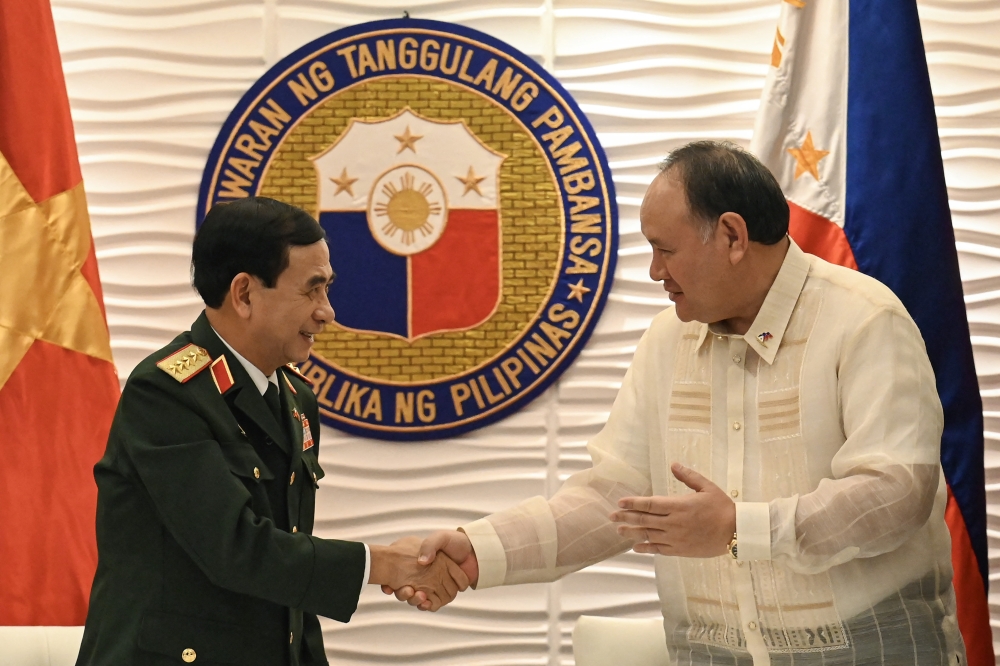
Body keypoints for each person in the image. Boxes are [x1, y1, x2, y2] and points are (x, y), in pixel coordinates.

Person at [390, 142, 965, 665]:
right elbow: (613, 499)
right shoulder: (667, 341)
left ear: (733, 237)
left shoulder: (864, 319)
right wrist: (479, 551)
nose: (654, 271)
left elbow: (896, 492)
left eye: (665, 250)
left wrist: (741, 529)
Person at [76, 197, 468, 666]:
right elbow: (235, 549)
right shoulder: (165, 393)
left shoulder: (295, 396)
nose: (327, 312)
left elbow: (289, 589)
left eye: (327, 289)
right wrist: (381, 563)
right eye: (312, 290)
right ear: (244, 294)